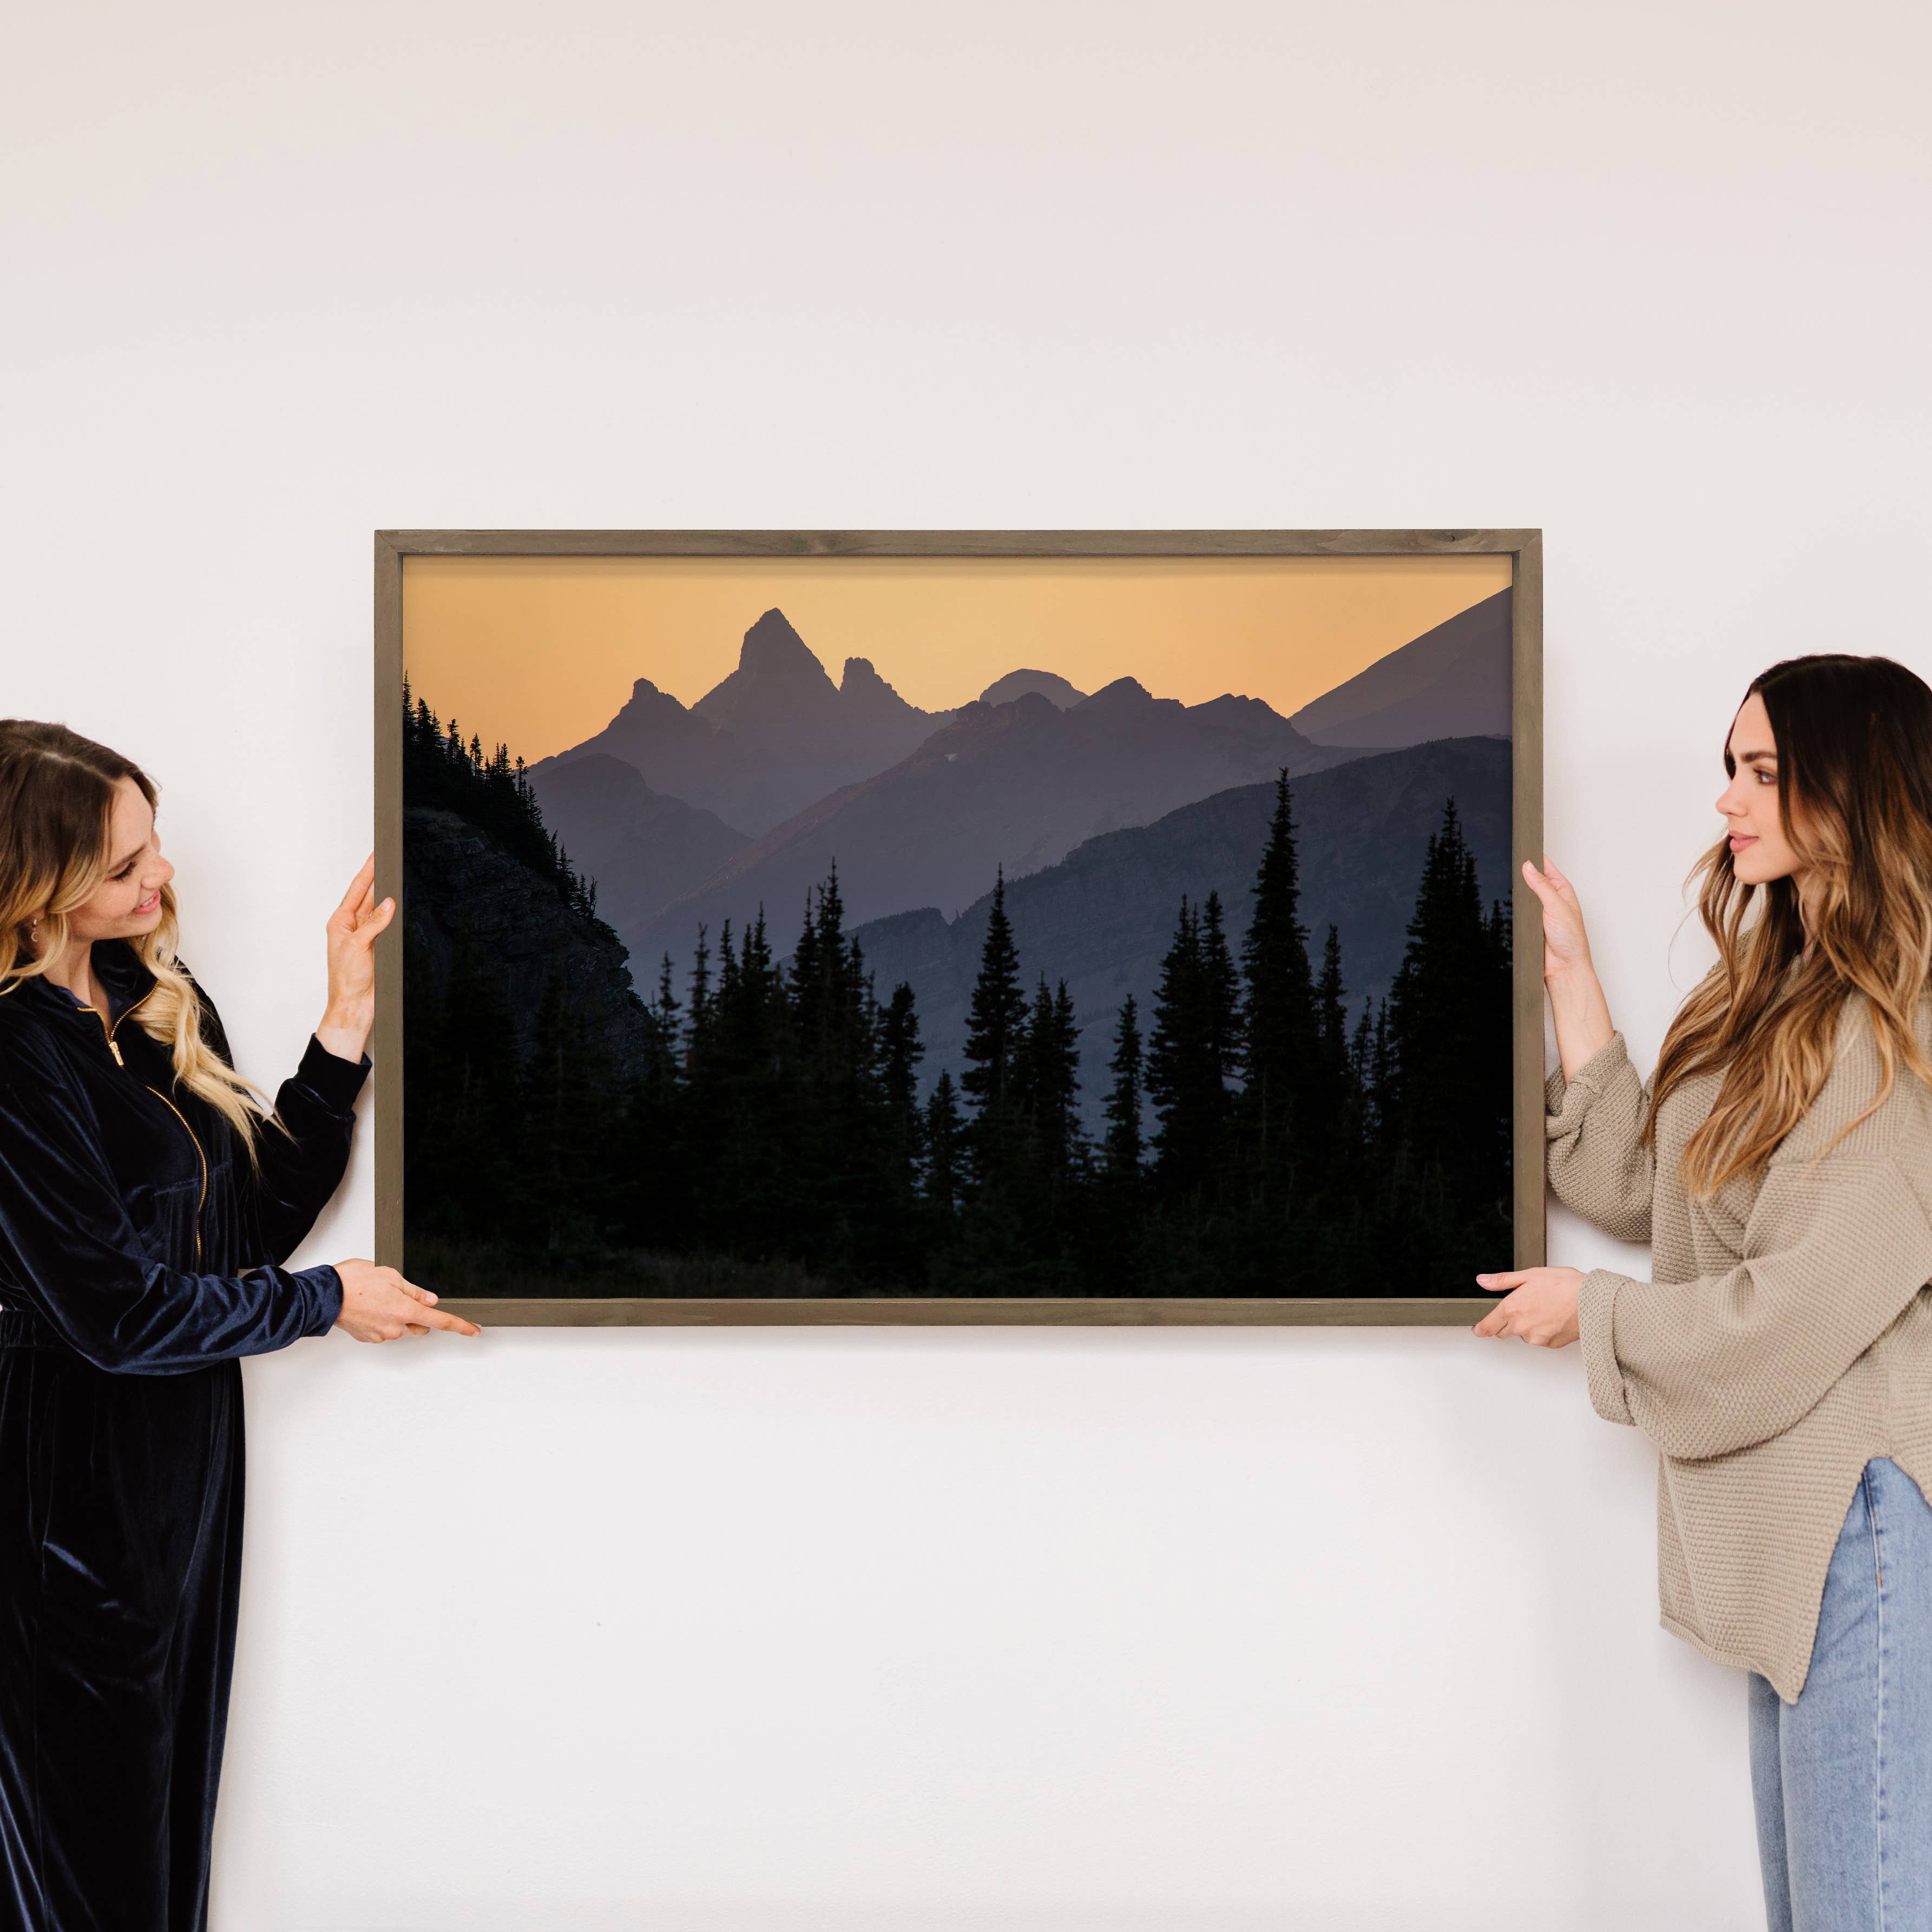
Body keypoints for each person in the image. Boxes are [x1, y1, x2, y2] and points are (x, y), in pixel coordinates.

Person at [1474, 655, 1932, 1930]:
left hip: (1864, 1535)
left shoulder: (1905, 1031)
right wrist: (1571, 976)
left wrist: (1595, 1316)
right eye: (1730, 769)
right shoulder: (1775, 994)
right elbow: (1651, 1188)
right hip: (1798, 1539)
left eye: (1766, 773)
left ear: (1857, 790)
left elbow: (1795, 1312)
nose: (1731, 801)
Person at [0, 719, 480, 1932]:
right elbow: (112, 1315)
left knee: (159, 1851)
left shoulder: (147, 993)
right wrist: (327, 1303)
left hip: (179, 1485)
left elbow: (245, 1224)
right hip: (56, 1504)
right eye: (124, 867)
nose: (161, 878)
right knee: (87, 1873)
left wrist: (345, 1021)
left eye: (153, 844)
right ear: (33, 884)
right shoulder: (12, 1055)